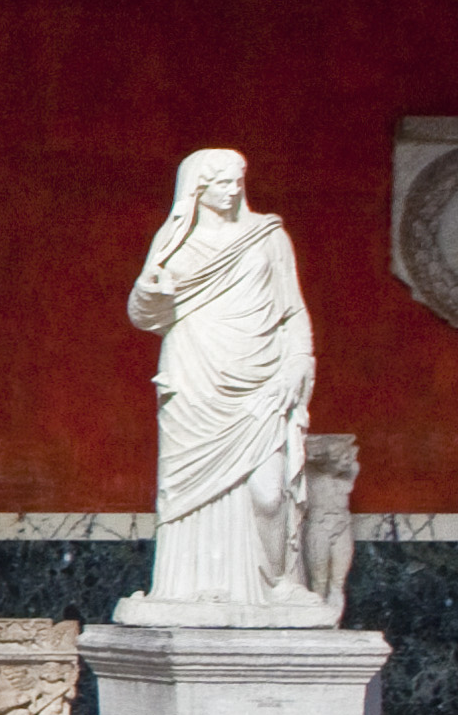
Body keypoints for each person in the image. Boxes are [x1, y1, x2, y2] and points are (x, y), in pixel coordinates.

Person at [124, 147, 325, 618]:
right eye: (222, 182)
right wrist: (147, 291)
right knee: (188, 492)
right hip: (194, 376)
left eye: (238, 180)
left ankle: (277, 583)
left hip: (260, 379)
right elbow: (144, 315)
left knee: (268, 493)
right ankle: (187, 590)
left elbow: (293, 311)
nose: (234, 189)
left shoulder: (267, 237)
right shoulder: (175, 242)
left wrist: (298, 361)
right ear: (198, 188)